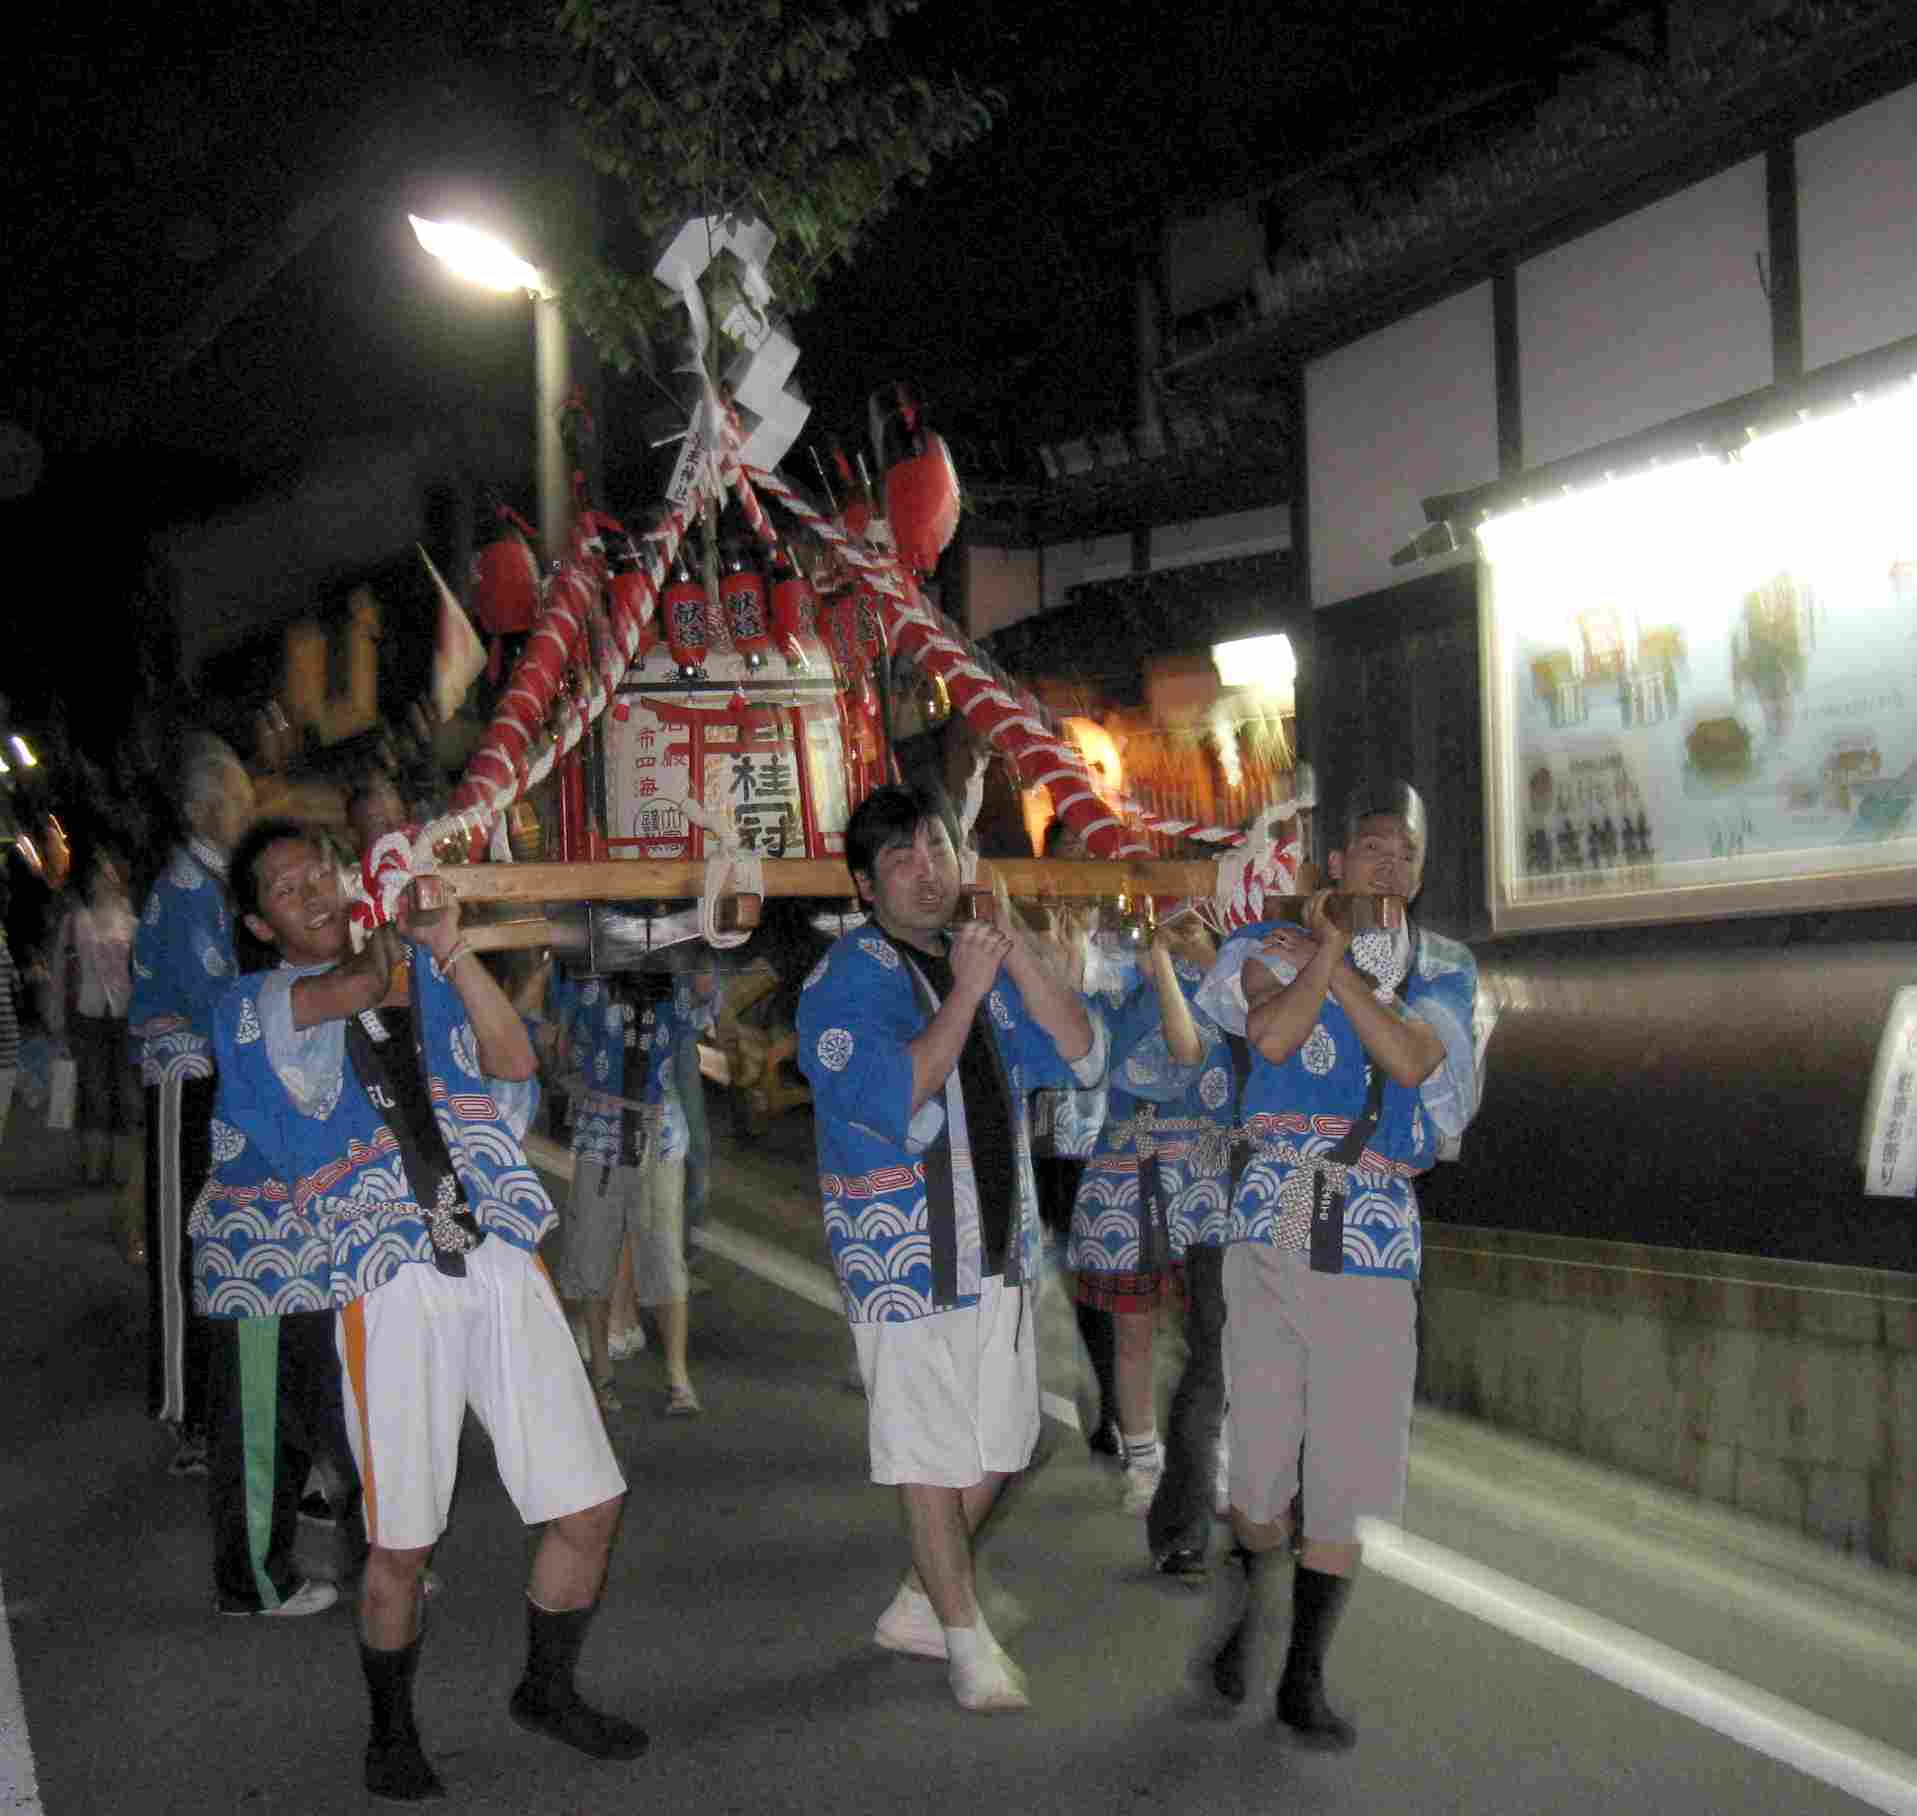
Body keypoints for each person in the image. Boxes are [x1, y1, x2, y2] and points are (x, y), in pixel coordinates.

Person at [202, 819, 644, 1801]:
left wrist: (451, 946)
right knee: (403, 1537)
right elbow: (353, 990)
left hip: (495, 1250)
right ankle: (390, 1730)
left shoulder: (416, 964)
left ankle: (546, 1686)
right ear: (256, 922)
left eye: (322, 864)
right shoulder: (246, 1006)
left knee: (591, 1500)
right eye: (286, 887)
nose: (315, 888)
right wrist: (407, 936)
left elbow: (512, 1062)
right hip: (386, 1282)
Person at [796, 784, 1106, 1714]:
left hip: (999, 1243)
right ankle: (965, 1636)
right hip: (903, 1249)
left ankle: (921, 1601)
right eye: (901, 858)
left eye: (937, 847)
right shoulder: (846, 979)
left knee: (1008, 1439)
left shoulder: (979, 953)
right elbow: (895, 1093)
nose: (927, 870)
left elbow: (1081, 1045)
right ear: (863, 886)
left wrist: (1009, 945)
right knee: (931, 1451)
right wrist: (969, 988)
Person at [1195, 785, 1479, 1749]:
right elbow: (1269, 1036)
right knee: (1261, 1467)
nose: (1388, 864)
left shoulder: (1445, 966)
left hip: (1372, 1228)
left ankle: (1300, 1678)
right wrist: (1328, 949)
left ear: (1421, 871)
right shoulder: (1256, 950)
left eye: (1405, 852)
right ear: (1333, 865)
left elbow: (1406, 1058)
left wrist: (1349, 975)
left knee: (1346, 1467)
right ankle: (1247, 1603)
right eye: (1369, 848)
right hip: (1269, 1215)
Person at [1066, 913, 1231, 1572]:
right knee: (1133, 1332)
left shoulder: (1225, 970)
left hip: (1208, 1167)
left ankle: (1204, 1465)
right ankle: (1143, 1461)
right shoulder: (1105, 975)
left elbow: (1196, 1050)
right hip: (1125, 1163)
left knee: (1213, 1339)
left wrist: (1180, 961)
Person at [129, 734, 256, 1476]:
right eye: (237, 797)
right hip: (184, 1075)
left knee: (206, 1240)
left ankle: (205, 1402)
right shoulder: (184, 889)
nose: (247, 808)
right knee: (181, 1245)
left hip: (211, 1075)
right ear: (200, 808)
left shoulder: (214, 883)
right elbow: (213, 998)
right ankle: (187, 1414)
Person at [555, 971, 698, 1414]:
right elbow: (570, 1049)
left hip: (660, 1128)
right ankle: (602, 1373)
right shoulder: (589, 979)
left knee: (663, 1253)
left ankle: (678, 1376)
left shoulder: (678, 982)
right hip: (604, 1124)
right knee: (593, 1249)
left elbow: (570, 1052)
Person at [1027, 819, 1119, 1457]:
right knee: (1058, 1264)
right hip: (1043, 1131)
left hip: (1105, 1131)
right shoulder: (1024, 939)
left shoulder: (1122, 939)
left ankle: (1112, 1403)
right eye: (1068, 856)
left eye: (1091, 857)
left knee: (1096, 1269)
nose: (1079, 870)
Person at [47, 845, 142, 1248]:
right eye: (101, 871)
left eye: (111, 870)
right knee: (93, 1088)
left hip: (122, 1016)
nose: (107, 876)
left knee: (124, 1088)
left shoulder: (133, 923)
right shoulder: (76, 922)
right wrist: (55, 1015)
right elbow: (59, 968)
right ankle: (93, 1165)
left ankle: (117, 1167)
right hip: (86, 1013)